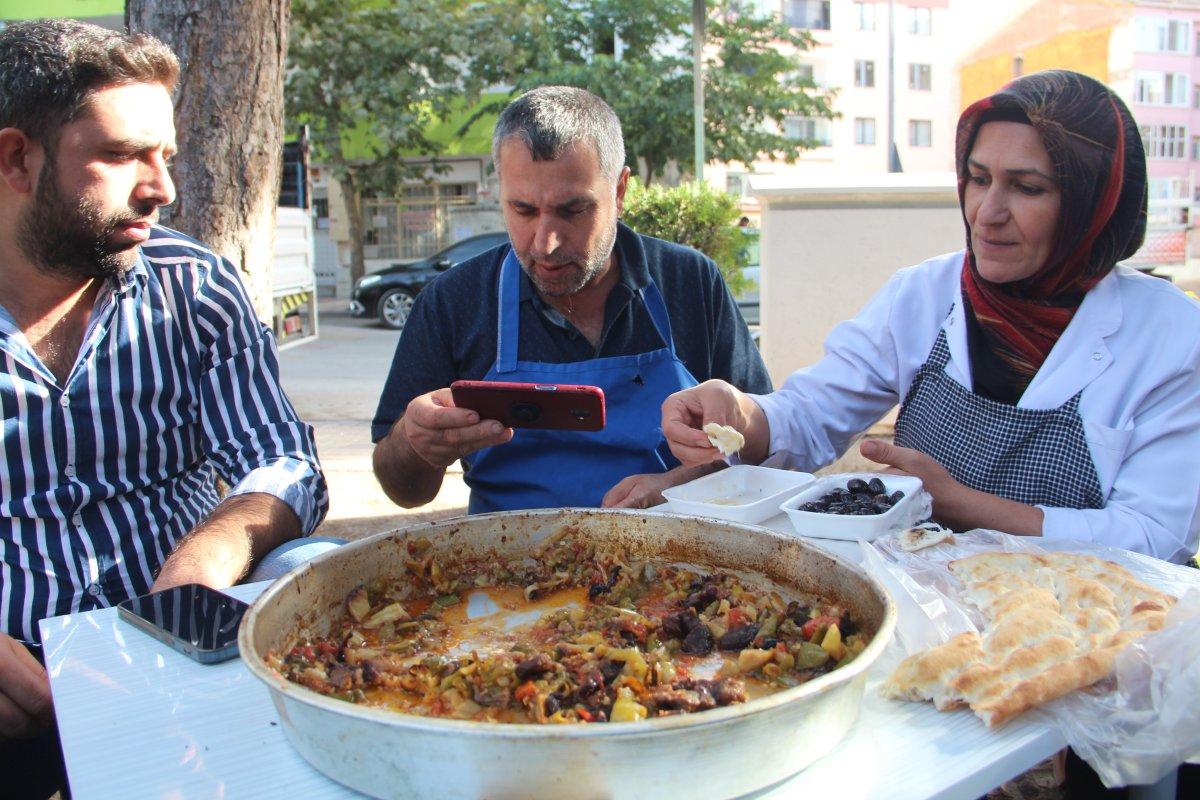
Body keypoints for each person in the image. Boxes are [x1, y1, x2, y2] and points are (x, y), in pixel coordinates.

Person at [663, 70, 1200, 565]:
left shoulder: (1169, 337)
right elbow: (811, 414)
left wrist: (961, 504)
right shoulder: (926, 294)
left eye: (1027, 187)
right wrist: (738, 415)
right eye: (978, 177)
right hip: (926, 609)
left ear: (1094, 204)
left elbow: (1154, 537)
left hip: (1085, 629)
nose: (987, 213)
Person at [0, 19, 329, 794]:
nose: (162, 188)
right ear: (16, 157)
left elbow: (281, 459)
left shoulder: (194, 287)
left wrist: (206, 557)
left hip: (182, 650)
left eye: (165, 156)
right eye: (119, 156)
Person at [372, 86, 770, 514]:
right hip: (504, 565)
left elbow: (766, 447)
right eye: (523, 210)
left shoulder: (690, 282)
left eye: (573, 210)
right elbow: (404, 491)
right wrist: (415, 444)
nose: (545, 243)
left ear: (619, 191)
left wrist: (677, 487)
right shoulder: (452, 302)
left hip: (675, 555)